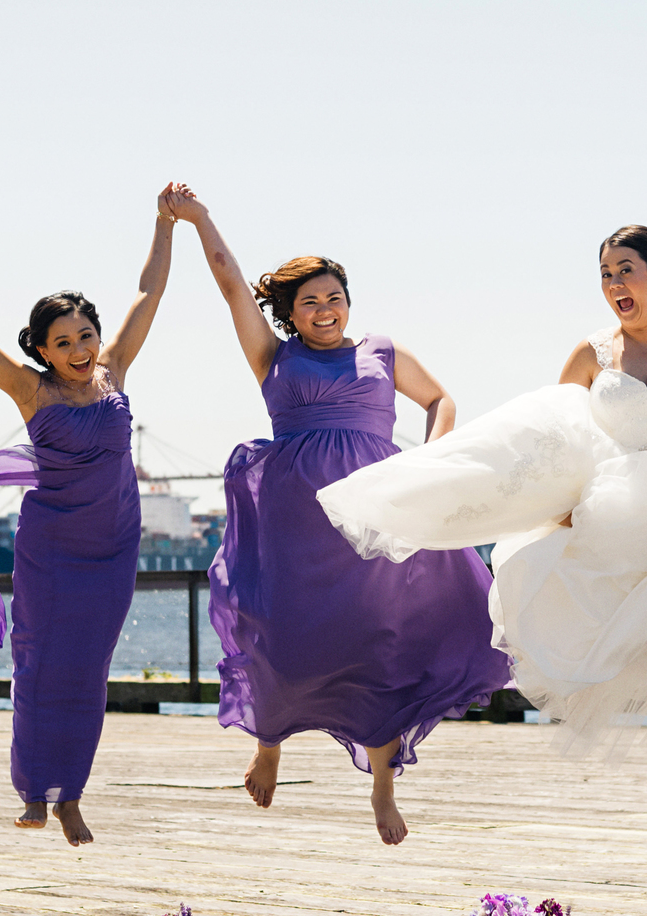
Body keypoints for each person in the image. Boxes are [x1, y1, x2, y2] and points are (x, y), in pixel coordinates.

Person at [318, 225, 647, 761]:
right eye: (605, 275)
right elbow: (554, 432)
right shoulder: (591, 353)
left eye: (625, 271)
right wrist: (553, 504)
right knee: (577, 593)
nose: (614, 285)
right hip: (615, 500)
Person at [174, 190, 506, 845]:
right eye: (311, 301)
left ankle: (382, 785)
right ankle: (269, 741)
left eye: (335, 297)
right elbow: (228, 283)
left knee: (381, 645)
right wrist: (198, 218)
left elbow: (441, 398)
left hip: (378, 513)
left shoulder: (381, 351)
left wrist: (428, 463)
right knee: (285, 637)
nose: (325, 309)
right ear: (290, 312)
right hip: (298, 520)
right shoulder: (275, 358)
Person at [0, 189, 186, 847]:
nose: (81, 347)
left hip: (113, 545)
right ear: (42, 349)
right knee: (36, 663)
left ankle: (73, 797)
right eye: (64, 342)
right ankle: (36, 791)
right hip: (51, 546)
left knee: (89, 670)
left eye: (86, 334)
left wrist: (161, 222)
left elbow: (148, 293)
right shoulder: (30, 389)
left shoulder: (115, 373)